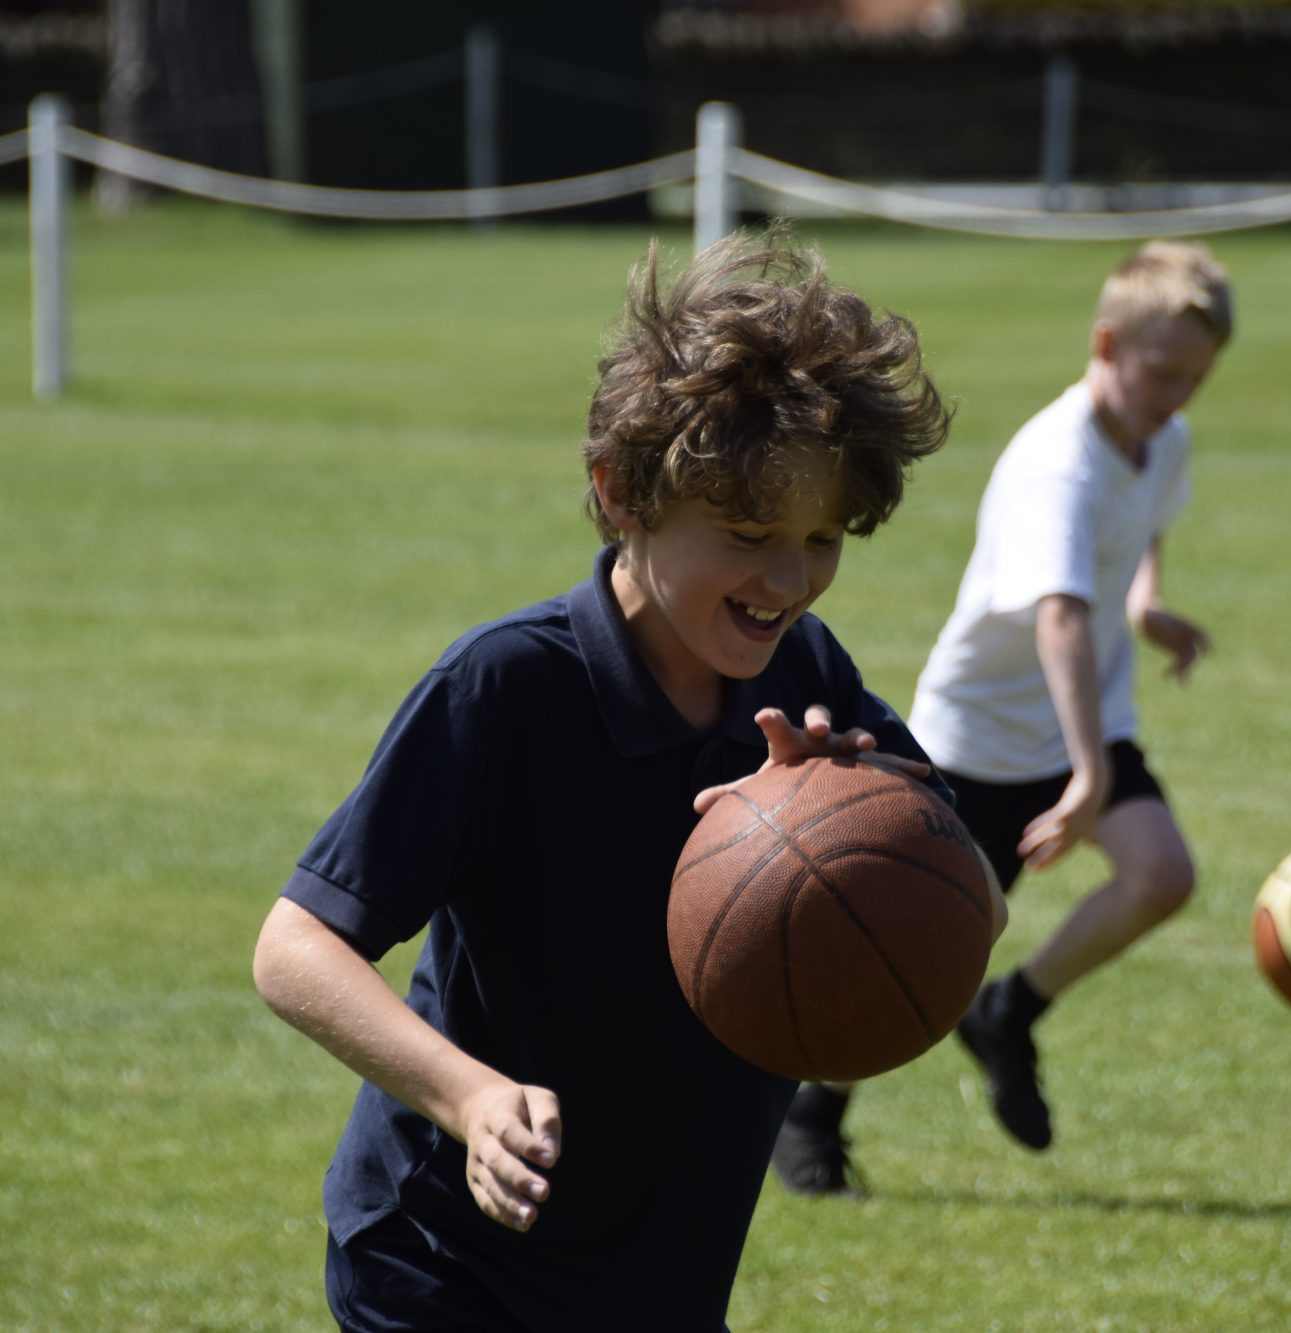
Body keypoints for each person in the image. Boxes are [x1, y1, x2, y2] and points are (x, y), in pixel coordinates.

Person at [252, 228, 1003, 1331]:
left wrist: (872, 815)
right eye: (749, 532)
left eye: (822, 536)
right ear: (621, 493)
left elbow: (964, 901)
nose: (790, 579)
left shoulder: (806, 673)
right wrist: (467, 1095)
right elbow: (294, 948)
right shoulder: (506, 688)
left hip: (662, 1264)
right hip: (447, 1257)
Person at [770, 239, 1231, 1191]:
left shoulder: (1161, 438)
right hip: (979, 741)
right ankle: (813, 1113)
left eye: (1195, 379)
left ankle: (1010, 1012)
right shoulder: (1057, 461)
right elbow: (1058, 617)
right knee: (922, 945)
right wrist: (1093, 773)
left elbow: (1140, 533)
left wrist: (1144, 606)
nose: (1178, 396)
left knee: (1162, 874)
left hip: (1079, 723)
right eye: (1163, 373)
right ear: (1106, 342)